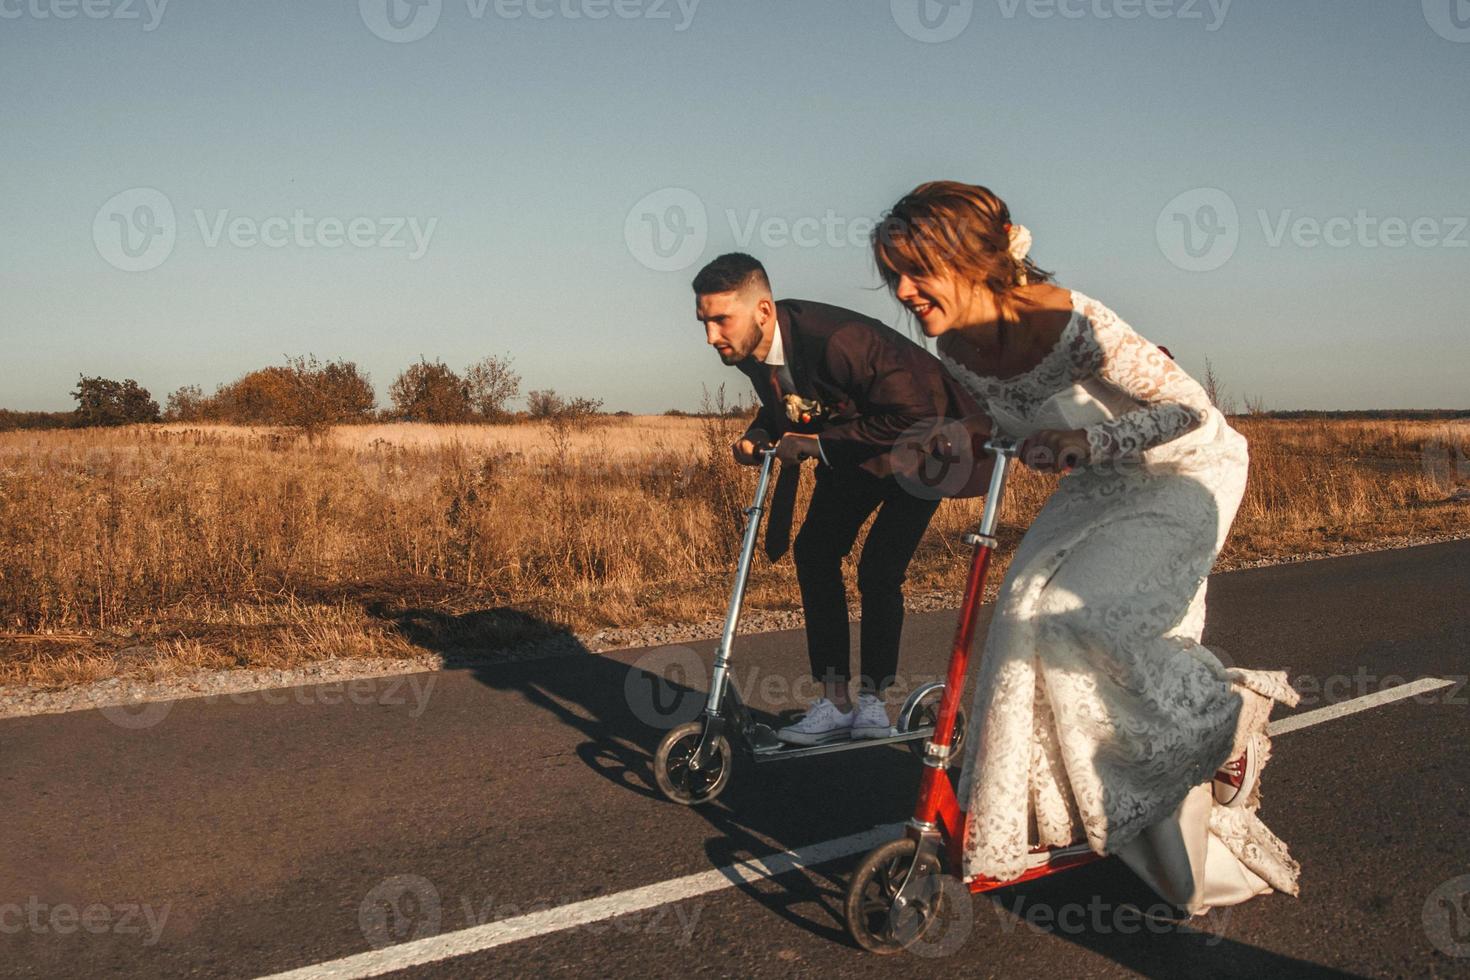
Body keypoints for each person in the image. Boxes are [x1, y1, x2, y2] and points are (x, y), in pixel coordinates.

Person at [869, 181, 1300, 915]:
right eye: (894, 275)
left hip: (1183, 473)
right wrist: (957, 443)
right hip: (1099, 483)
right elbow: (1007, 426)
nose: (903, 290)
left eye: (918, 270)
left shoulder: (1071, 320)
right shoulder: (953, 347)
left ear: (972, 260)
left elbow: (1189, 411)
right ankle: (1046, 811)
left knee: (1084, 622)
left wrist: (1086, 440)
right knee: (1016, 620)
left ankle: (1225, 725)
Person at [691, 252, 988, 746]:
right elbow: (788, 401)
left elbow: (915, 413)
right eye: (704, 322)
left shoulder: (838, 339)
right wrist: (758, 432)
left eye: (721, 320)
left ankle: (873, 703)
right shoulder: (748, 350)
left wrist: (817, 445)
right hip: (856, 453)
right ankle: (835, 703)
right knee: (815, 553)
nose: (711, 336)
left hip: (928, 450)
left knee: (878, 568)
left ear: (762, 311)